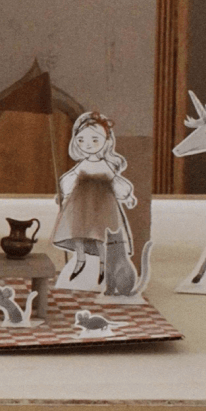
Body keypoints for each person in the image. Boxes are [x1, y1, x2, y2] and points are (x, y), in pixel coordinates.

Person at [52, 110, 136, 286]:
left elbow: (116, 182)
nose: (87, 145)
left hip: (102, 206)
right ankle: (79, 260)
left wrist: (127, 196)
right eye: (81, 140)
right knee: (78, 234)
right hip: (80, 205)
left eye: (94, 140)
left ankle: (103, 265)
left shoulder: (105, 165)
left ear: (106, 141)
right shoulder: (82, 164)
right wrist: (62, 194)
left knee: (99, 236)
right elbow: (70, 179)